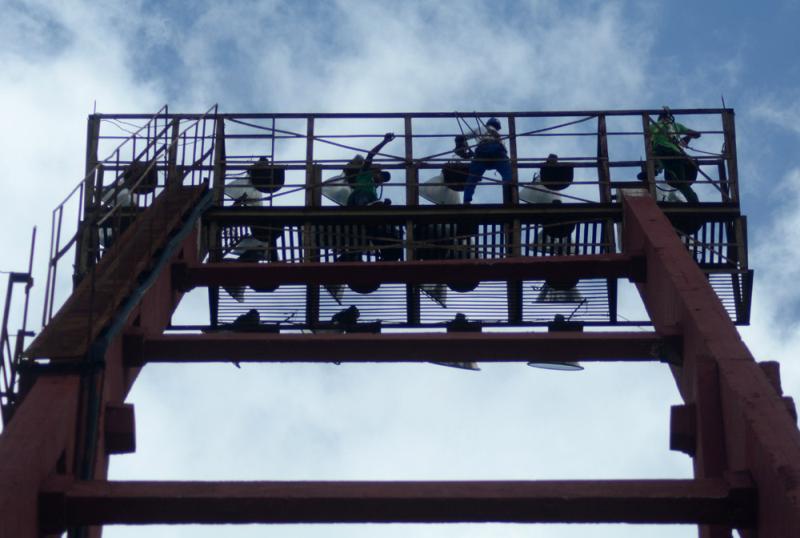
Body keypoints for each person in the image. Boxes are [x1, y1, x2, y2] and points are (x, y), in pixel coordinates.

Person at [641, 109, 702, 203]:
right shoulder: (676, 126)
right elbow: (697, 134)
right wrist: (688, 137)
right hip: (677, 155)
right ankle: (694, 201)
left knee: (657, 157)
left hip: (662, 151)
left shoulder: (655, 125)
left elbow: (649, 136)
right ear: (670, 118)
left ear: (660, 118)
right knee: (681, 183)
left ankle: (653, 171)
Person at [461, 117, 513, 205]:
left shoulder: (481, 128)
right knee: (507, 176)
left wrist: (463, 149)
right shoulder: (500, 138)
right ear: (497, 127)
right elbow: (504, 151)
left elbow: (461, 138)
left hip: (482, 152)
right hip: (498, 152)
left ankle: (466, 201)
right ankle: (509, 200)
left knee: (472, 179)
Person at [346, 132, 395, 207]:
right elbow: (370, 155)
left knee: (378, 203)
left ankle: (377, 206)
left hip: (370, 201)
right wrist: (384, 141)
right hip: (358, 199)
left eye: (383, 179)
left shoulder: (374, 188)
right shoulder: (365, 173)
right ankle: (371, 205)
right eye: (382, 176)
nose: (381, 179)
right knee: (365, 198)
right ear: (377, 172)